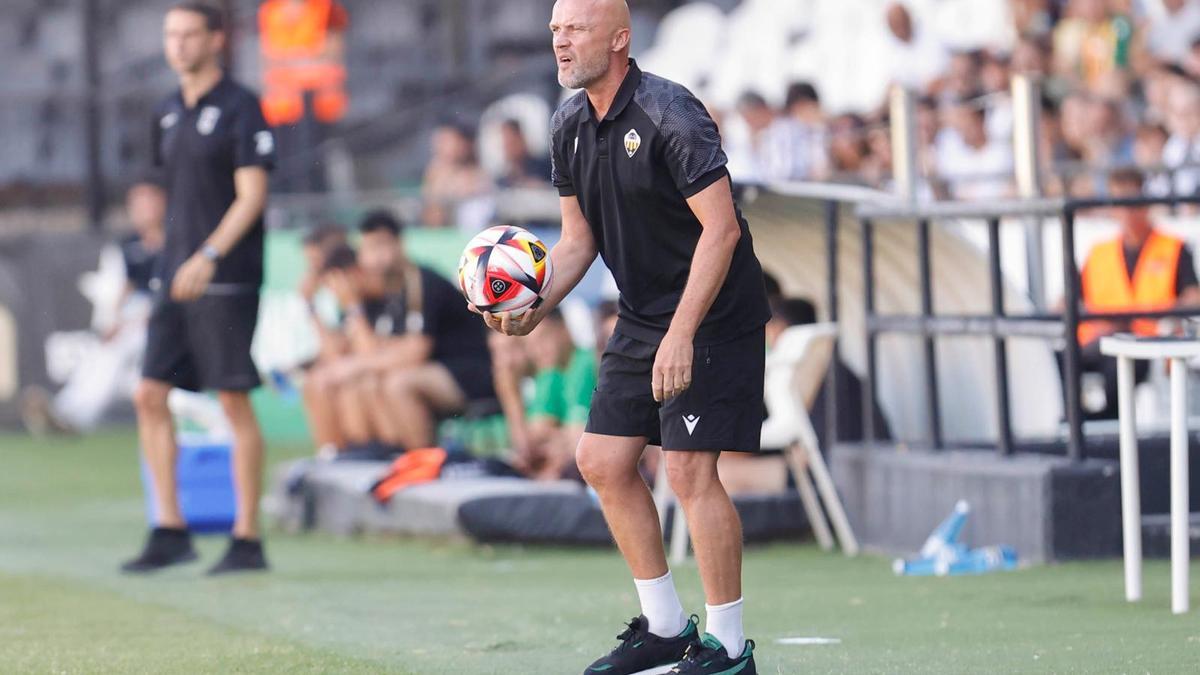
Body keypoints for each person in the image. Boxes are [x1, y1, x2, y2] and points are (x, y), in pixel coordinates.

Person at [481, 2, 770, 672]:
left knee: (688, 470)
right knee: (601, 461)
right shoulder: (566, 124)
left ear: (618, 38)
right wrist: (535, 305)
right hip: (642, 315)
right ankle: (665, 630)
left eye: (575, 29)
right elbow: (577, 241)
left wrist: (682, 333)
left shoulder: (672, 111)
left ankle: (729, 651)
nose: (560, 41)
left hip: (714, 313)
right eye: (555, 29)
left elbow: (722, 230)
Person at [122, 2, 275, 575]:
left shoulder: (240, 107)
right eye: (171, 35)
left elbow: (252, 196)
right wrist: (169, 249)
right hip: (175, 271)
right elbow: (170, 191)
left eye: (190, 34)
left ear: (216, 40)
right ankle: (169, 528)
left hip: (225, 274)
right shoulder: (166, 111)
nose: (179, 44)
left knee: (231, 398)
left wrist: (210, 254)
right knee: (149, 394)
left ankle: (247, 537)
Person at [321, 211, 495, 451]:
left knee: (397, 383)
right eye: (368, 249)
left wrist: (356, 364)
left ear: (399, 243)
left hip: (469, 372)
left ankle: (420, 461)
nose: (374, 257)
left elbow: (416, 352)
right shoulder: (390, 292)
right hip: (431, 371)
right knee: (364, 382)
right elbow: (380, 350)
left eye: (380, 245)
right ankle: (368, 455)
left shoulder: (423, 281)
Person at [21, 177, 166, 435]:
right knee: (103, 354)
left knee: (120, 355)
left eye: (147, 202)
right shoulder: (129, 244)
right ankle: (65, 413)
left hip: (171, 321)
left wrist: (136, 320)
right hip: (140, 323)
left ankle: (69, 415)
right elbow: (126, 289)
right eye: (136, 204)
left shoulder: (177, 241)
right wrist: (117, 321)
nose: (142, 210)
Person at [1075, 168, 1200, 418]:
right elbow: (1071, 299)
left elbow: (1193, 296)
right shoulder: (1099, 253)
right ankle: (1074, 423)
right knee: (1061, 359)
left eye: (1131, 202)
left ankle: (1106, 427)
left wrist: (1161, 313)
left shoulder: (1173, 247)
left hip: (1147, 342)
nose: (1126, 212)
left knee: (1117, 369)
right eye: (1119, 203)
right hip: (1101, 340)